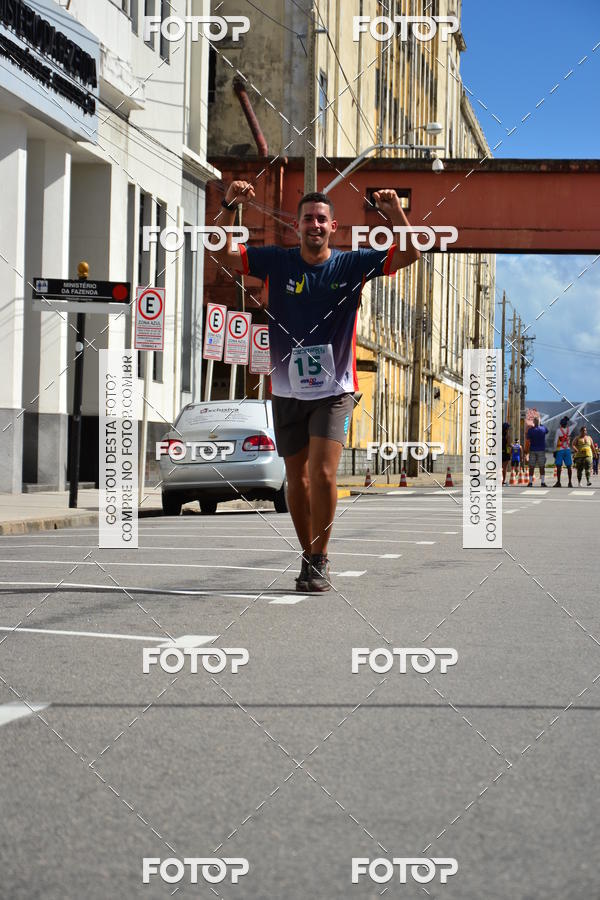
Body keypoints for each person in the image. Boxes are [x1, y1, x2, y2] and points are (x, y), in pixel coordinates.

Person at [216, 181, 420, 591]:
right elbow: (222, 251)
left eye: (321, 219)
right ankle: (308, 553)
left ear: (333, 226)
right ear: (297, 225)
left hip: (335, 389)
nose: (314, 224)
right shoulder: (277, 261)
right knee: (298, 480)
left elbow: (411, 253)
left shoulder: (351, 265)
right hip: (287, 389)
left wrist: (395, 213)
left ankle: (320, 557)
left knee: (323, 474)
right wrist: (229, 206)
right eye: (308, 218)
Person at [526, 416, 549, 487]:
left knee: (531, 466)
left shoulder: (531, 430)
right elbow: (547, 431)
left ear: (533, 422)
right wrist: (541, 424)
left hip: (533, 450)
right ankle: (542, 482)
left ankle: (530, 482)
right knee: (542, 466)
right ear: (540, 422)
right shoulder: (543, 429)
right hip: (541, 450)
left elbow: (527, 437)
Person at [553, 415, 573, 488]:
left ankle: (558, 482)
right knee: (569, 466)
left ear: (560, 424)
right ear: (566, 424)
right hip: (567, 449)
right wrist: (569, 419)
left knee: (558, 466)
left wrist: (555, 450)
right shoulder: (569, 429)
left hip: (560, 450)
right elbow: (575, 423)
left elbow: (555, 442)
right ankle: (570, 482)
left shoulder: (558, 431)